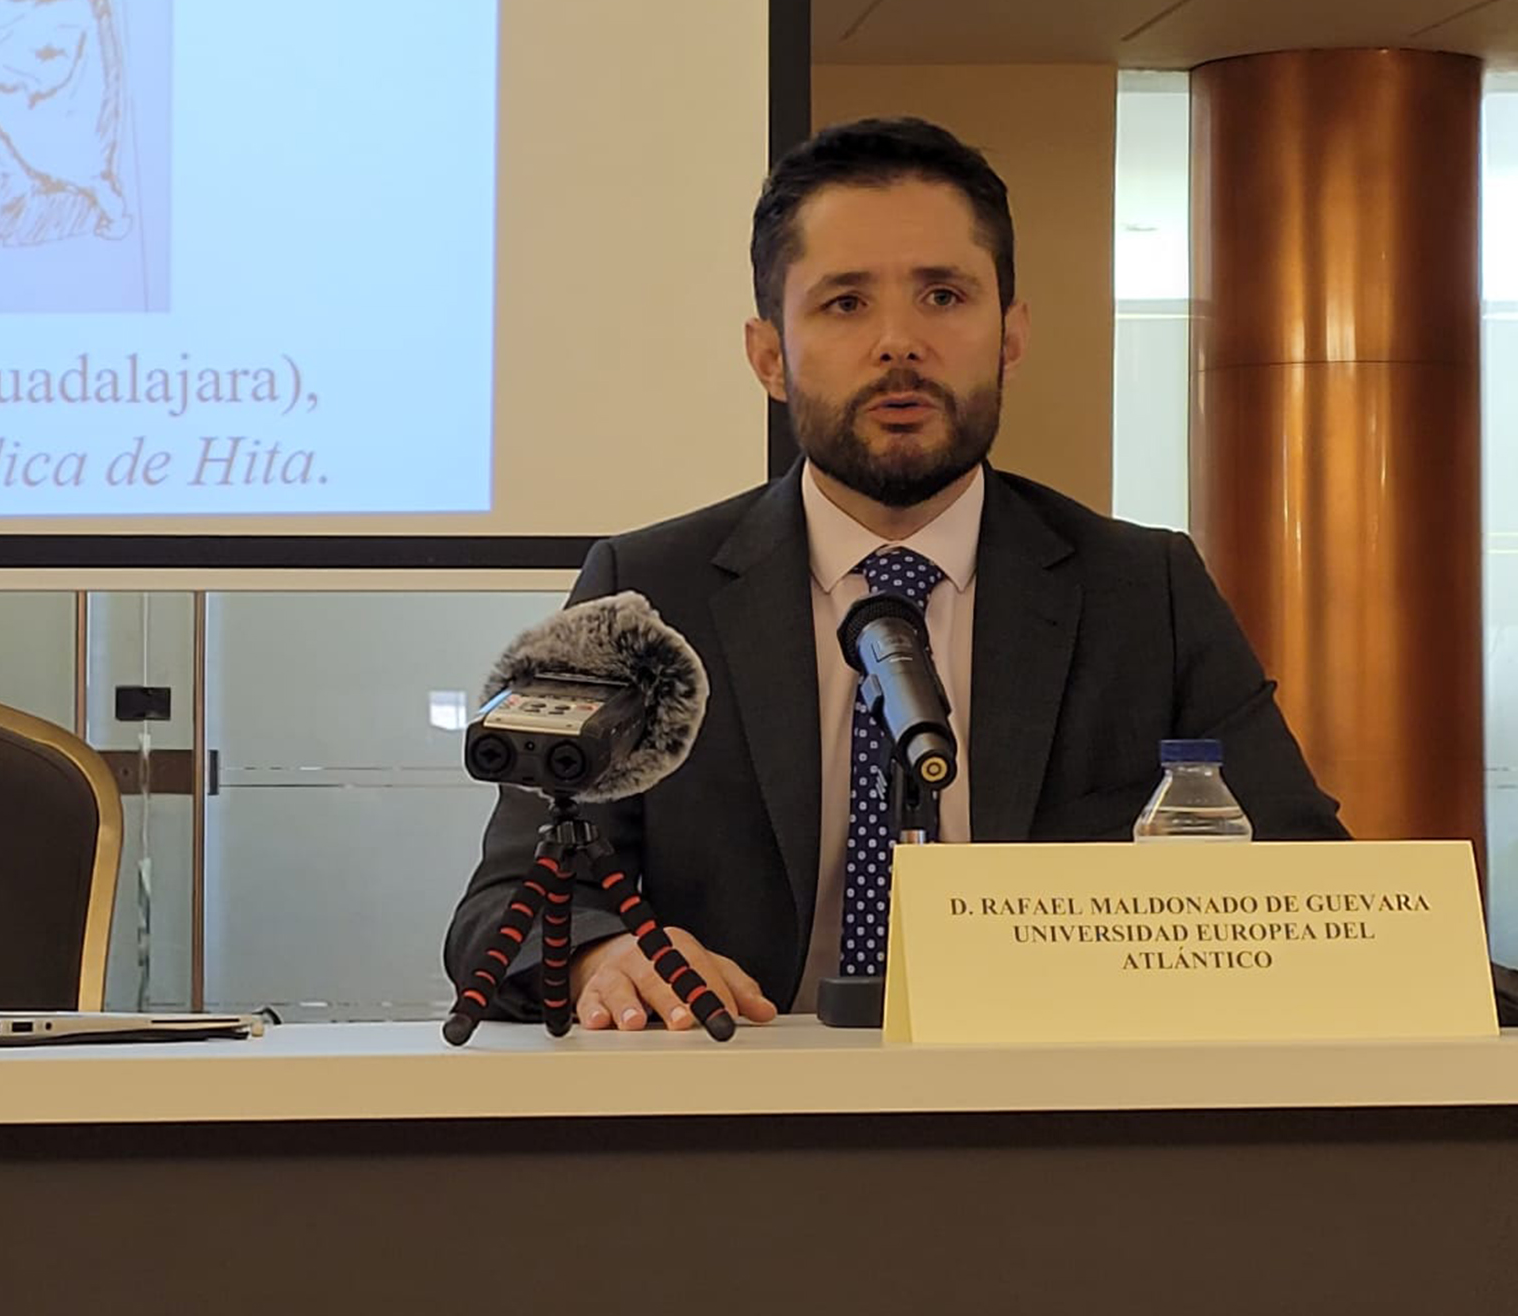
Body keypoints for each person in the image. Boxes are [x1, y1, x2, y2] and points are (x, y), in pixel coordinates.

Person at [443, 116, 1347, 1032]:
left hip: (1054, 1094)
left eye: (944, 297)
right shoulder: (646, 592)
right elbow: (506, 906)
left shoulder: (1144, 590)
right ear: (768, 355)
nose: (898, 343)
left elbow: (1309, 872)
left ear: (1012, 335)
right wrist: (601, 953)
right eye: (845, 303)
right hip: (738, 1095)